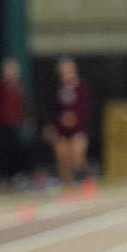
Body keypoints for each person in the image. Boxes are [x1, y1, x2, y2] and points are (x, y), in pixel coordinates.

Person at [43, 56, 95, 197]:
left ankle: (86, 180)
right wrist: (53, 125)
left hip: (78, 129)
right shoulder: (57, 89)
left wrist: (75, 119)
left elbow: (86, 108)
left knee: (77, 156)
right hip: (61, 130)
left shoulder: (82, 88)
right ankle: (68, 187)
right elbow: (52, 110)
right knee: (62, 156)